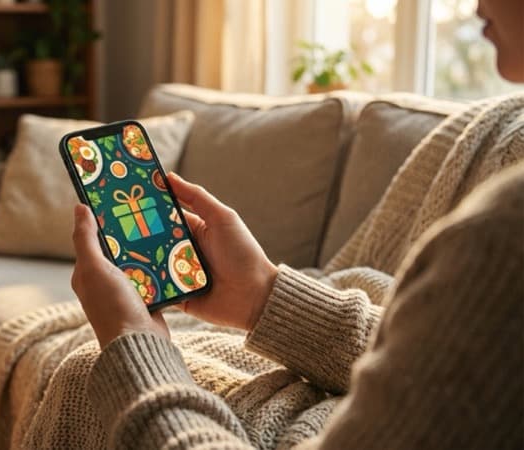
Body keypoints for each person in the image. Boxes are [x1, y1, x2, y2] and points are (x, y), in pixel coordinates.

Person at [69, 0, 523, 448]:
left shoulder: (502, 236)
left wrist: (135, 348)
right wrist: (262, 296)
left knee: (80, 371)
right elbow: (437, 369)